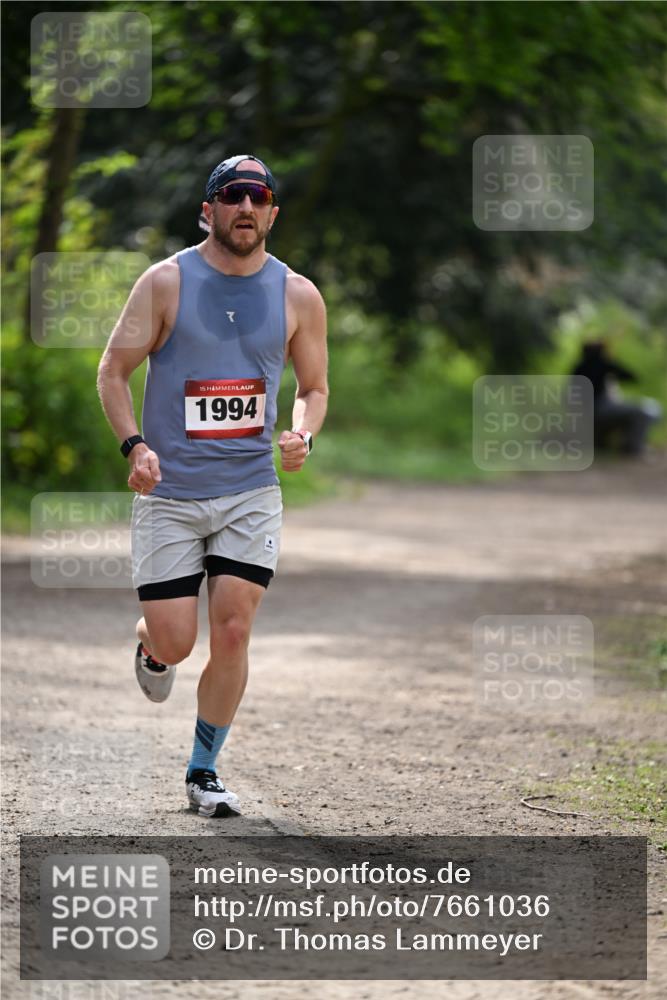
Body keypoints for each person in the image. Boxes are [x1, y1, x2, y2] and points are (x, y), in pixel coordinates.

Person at [97, 155, 328, 817]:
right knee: (178, 640)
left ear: (273, 213)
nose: (246, 207)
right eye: (233, 196)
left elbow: (313, 388)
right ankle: (151, 646)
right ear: (209, 209)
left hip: (250, 491)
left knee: (232, 631)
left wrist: (301, 433)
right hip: (170, 494)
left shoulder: (298, 295)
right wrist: (134, 445)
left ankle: (203, 771)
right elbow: (113, 371)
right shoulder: (165, 283)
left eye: (259, 197)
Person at [572, 340, 661, 456]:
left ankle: (604, 441)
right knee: (645, 411)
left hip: (582, 415)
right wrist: (611, 361)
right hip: (599, 411)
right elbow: (631, 377)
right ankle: (633, 447)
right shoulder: (601, 364)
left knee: (629, 411)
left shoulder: (578, 368)